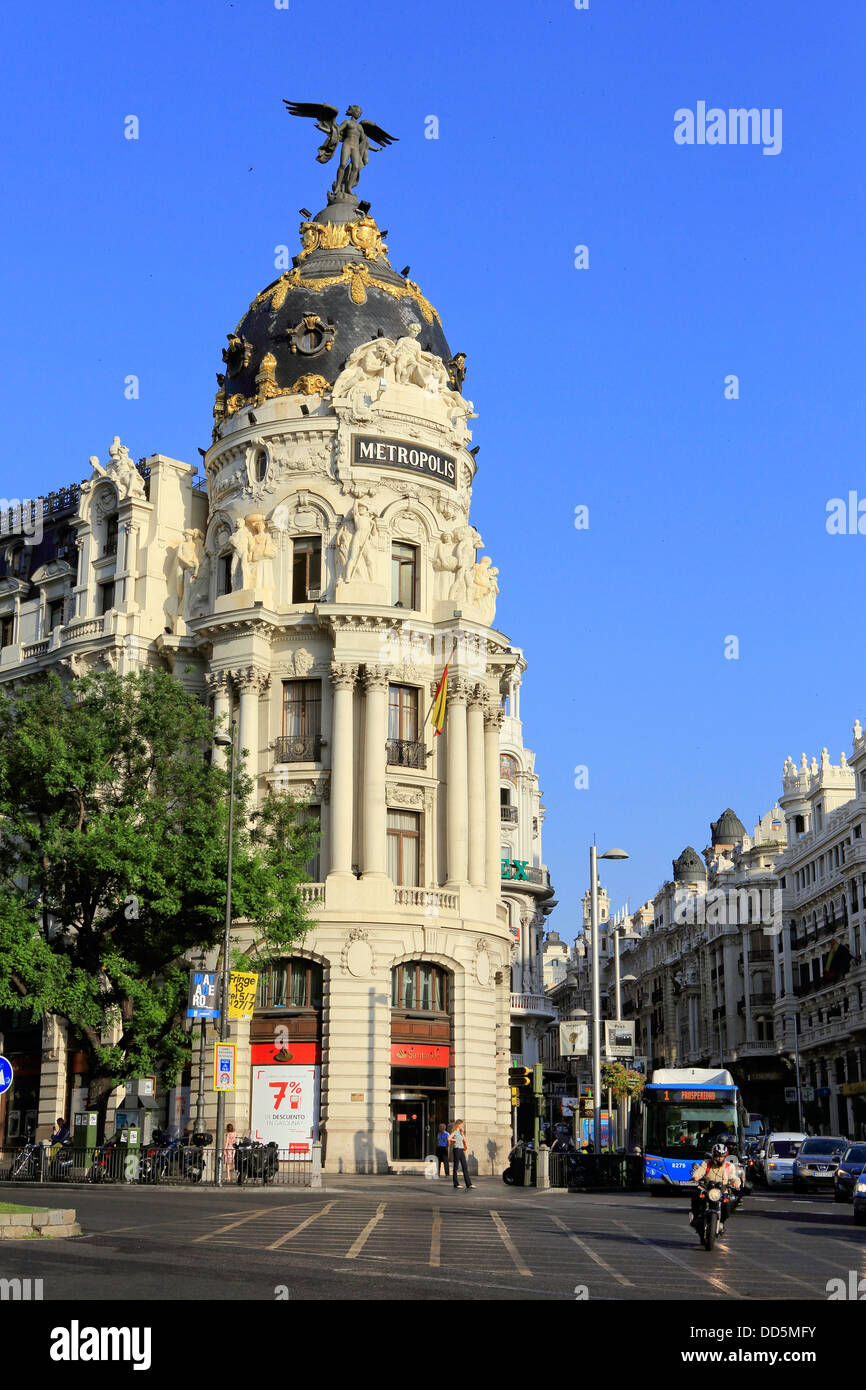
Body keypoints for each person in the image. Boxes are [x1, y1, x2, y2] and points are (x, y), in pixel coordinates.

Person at [689, 1142, 741, 1231]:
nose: (720, 1159)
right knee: (696, 1197)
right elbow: (700, 1171)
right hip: (706, 1189)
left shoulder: (729, 1166)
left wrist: (736, 1183)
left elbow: (734, 1177)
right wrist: (696, 1176)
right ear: (713, 1155)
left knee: (727, 1205)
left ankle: (722, 1222)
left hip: (722, 1191)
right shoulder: (706, 1163)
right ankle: (695, 1218)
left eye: (722, 1157)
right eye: (717, 1156)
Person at [449, 1120, 473, 1189]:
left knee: (464, 1166)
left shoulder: (460, 1132)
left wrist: (462, 1133)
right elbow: (449, 1138)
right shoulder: (455, 1132)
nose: (462, 1126)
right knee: (455, 1167)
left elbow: (464, 1140)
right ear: (458, 1125)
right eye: (461, 1124)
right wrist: (454, 1140)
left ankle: (469, 1184)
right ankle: (456, 1184)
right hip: (457, 1150)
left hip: (461, 1149)